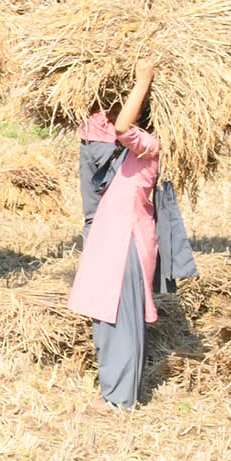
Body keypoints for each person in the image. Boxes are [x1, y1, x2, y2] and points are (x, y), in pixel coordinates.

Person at [67, 65, 162, 409]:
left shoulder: (150, 145)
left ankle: (121, 398)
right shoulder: (133, 150)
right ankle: (112, 390)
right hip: (113, 235)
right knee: (105, 314)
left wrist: (143, 80)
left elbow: (121, 127)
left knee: (120, 317)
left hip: (128, 239)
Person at [83, 113, 195, 304]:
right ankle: (93, 284)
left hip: (119, 144)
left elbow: (123, 129)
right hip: (91, 137)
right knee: (94, 219)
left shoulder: (148, 144)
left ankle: (104, 287)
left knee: (110, 221)